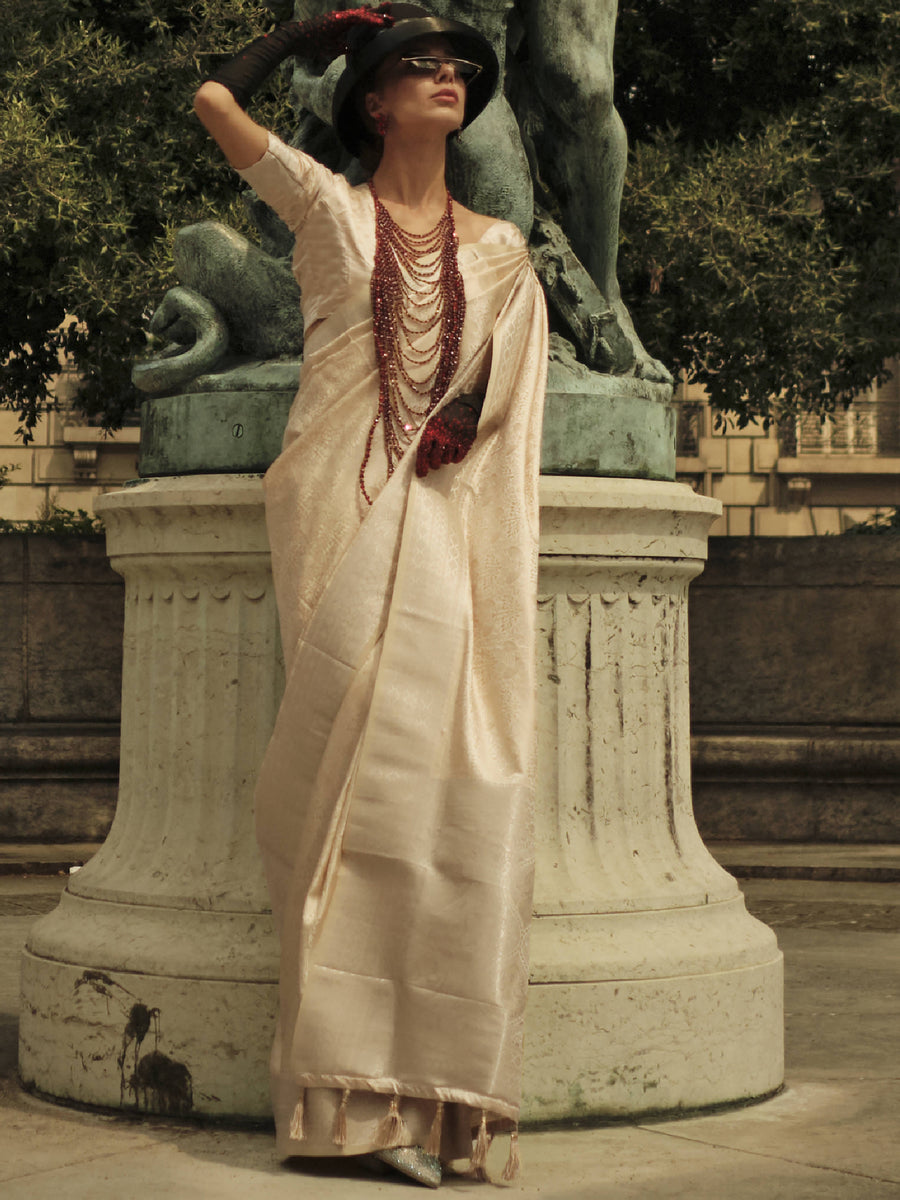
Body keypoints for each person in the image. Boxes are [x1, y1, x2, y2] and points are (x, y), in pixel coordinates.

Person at [194, 3, 548, 1188]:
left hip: (447, 522)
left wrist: (465, 412)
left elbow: (501, 388)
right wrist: (301, 33)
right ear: (372, 102)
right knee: (356, 790)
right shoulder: (327, 210)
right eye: (416, 67)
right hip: (339, 513)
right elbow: (212, 106)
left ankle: (435, 1101)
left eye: (457, 68)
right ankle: (347, 1108)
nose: (444, 78)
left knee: (447, 792)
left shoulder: (502, 249)